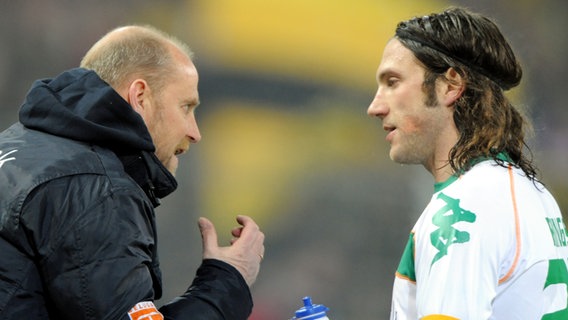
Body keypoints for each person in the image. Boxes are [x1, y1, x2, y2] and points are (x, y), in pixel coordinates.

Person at [0, 25, 265, 319]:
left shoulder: (16, 146)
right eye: (186, 107)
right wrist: (228, 278)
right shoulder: (95, 190)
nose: (194, 132)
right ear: (140, 96)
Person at [367, 7, 568, 319]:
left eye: (393, 82)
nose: (375, 107)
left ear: (449, 86)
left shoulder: (462, 211)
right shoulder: (533, 192)